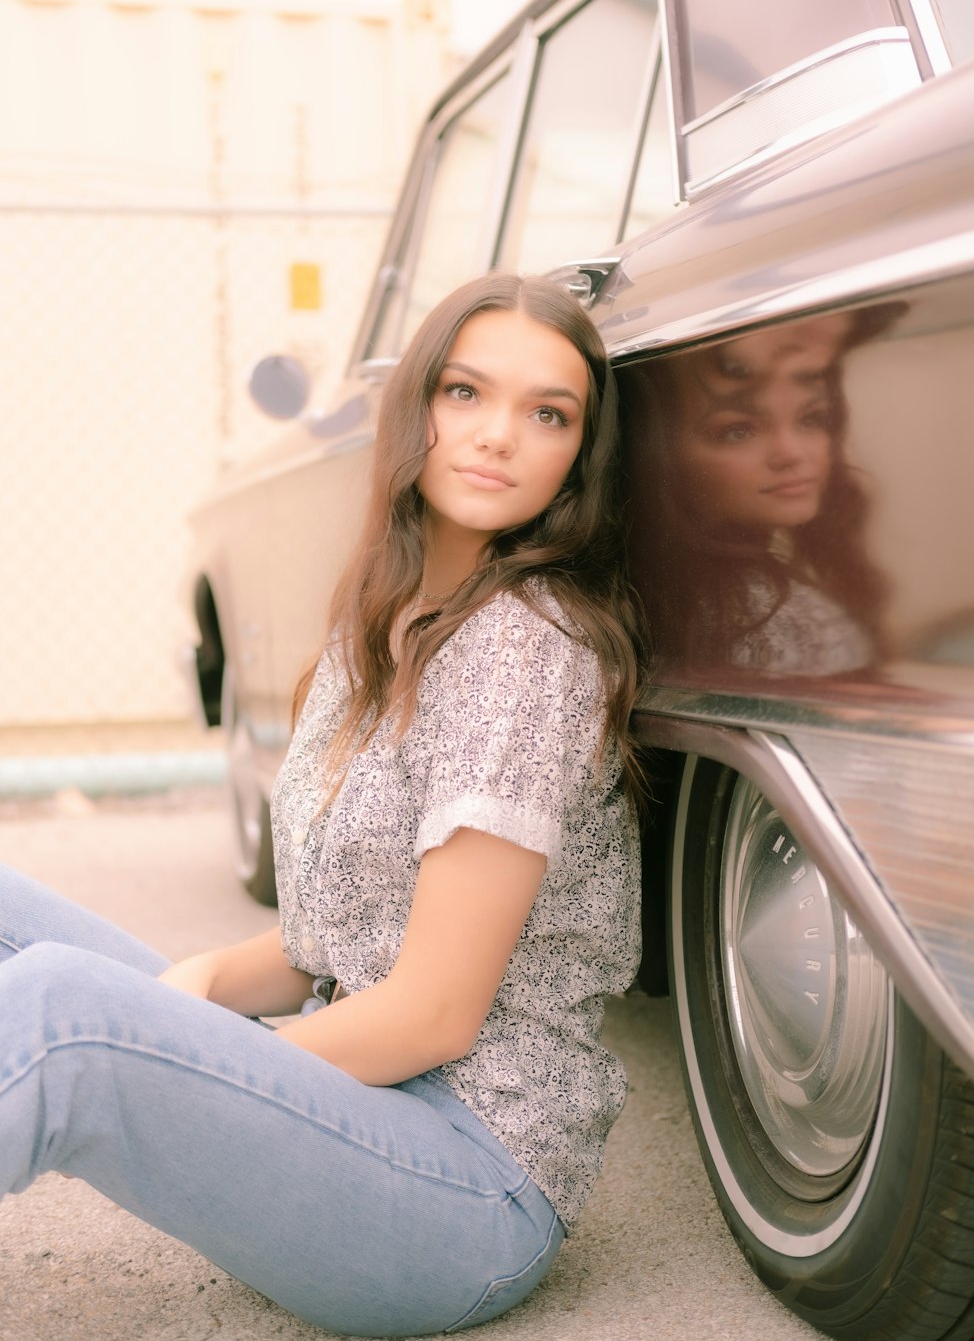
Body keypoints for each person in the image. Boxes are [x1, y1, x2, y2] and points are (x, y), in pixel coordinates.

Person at [0, 273, 644, 1338]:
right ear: (415, 413)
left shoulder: (527, 653)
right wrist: (198, 991)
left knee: (67, 1013)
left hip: (464, 1185)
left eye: (548, 414)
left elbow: (435, 1011)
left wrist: (195, 1064)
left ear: (579, 455)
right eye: (465, 394)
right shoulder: (376, 631)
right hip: (360, 1109)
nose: (497, 438)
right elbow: (328, 943)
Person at [624, 312, 890, 680]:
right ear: (658, 458)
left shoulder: (636, 595)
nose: (791, 453)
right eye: (738, 431)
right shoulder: (773, 618)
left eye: (811, 419)